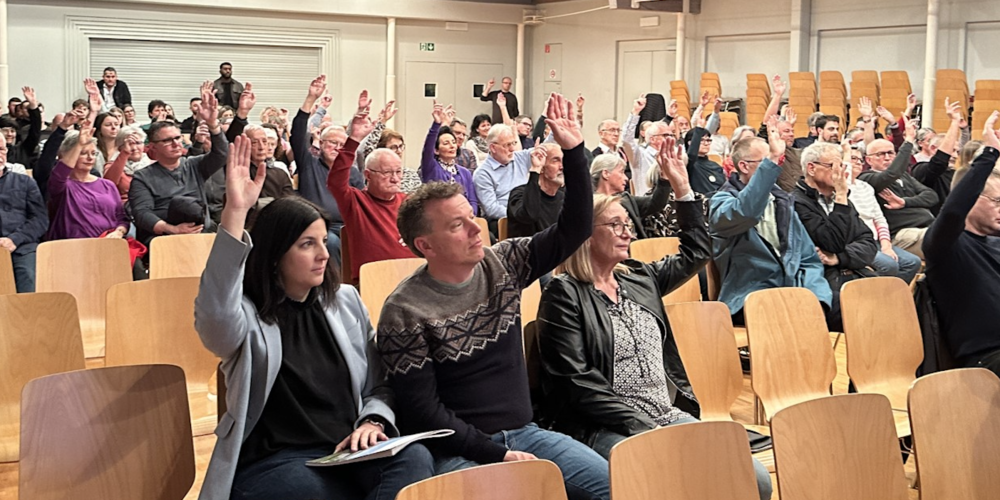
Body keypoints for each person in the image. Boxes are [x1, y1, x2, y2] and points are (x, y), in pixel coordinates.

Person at [378, 94, 609, 500]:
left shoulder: (502, 263)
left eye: (472, 216)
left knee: (616, 486)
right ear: (425, 245)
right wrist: (495, 454)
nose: (476, 229)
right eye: (457, 225)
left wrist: (574, 152)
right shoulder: (405, 310)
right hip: (458, 449)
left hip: (527, 434)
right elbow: (423, 412)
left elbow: (574, 230)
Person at [193, 135, 434, 500]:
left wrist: (373, 420)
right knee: (315, 493)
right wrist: (235, 214)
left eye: (324, 241)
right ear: (275, 255)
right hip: (277, 459)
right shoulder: (245, 315)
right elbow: (213, 315)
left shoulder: (346, 301)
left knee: (414, 459)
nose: (324, 254)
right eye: (307, 244)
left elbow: (378, 383)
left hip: (347, 448)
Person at [536, 140, 773, 500]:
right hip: (603, 425)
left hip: (663, 413)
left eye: (628, 224)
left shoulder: (638, 278)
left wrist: (682, 189)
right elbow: (578, 383)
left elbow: (696, 251)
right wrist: (644, 425)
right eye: (615, 225)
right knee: (662, 480)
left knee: (753, 478)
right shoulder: (563, 294)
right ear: (585, 232)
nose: (627, 232)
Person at [709, 119, 834, 329]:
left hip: (792, 290)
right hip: (748, 296)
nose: (775, 168)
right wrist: (774, 157)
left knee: (852, 308)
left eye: (775, 162)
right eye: (766, 162)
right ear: (744, 166)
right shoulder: (721, 202)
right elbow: (746, 212)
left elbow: (808, 258)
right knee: (788, 322)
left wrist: (818, 298)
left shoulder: (782, 202)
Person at [924, 111, 1000, 377]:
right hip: (985, 358)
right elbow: (954, 212)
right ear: (971, 200)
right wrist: (989, 153)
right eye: (997, 201)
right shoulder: (944, 247)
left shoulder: (995, 242)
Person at [325, 88, 413, 285]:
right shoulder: (356, 202)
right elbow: (336, 181)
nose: (395, 179)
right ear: (368, 175)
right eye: (387, 173)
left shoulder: (409, 203)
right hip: (374, 281)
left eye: (398, 172)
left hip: (413, 279)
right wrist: (354, 139)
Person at [793, 142, 878, 329]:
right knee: (858, 312)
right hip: (821, 279)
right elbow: (831, 242)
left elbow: (869, 243)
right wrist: (841, 196)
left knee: (892, 299)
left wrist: (839, 258)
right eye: (833, 166)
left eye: (841, 166)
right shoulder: (797, 203)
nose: (840, 173)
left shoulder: (842, 202)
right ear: (811, 168)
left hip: (850, 269)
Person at [129, 86, 226, 246]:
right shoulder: (142, 177)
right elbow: (142, 213)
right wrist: (173, 229)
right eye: (167, 140)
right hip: (164, 237)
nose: (175, 143)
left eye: (177, 138)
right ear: (153, 147)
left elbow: (222, 154)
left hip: (201, 232)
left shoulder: (194, 164)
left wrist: (213, 124)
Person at [292, 75, 366, 266]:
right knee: (332, 243)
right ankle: (335, 286)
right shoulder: (310, 163)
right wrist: (311, 100)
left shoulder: (353, 173)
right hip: (317, 225)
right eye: (333, 142)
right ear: (321, 144)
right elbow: (298, 134)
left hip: (348, 225)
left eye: (342, 145)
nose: (337, 148)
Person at [844, 143, 921, 284]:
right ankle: (877, 301)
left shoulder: (865, 187)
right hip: (855, 243)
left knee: (912, 262)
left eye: (860, 159)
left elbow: (879, 219)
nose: (857, 162)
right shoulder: (840, 187)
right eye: (852, 158)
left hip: (875, 241)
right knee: (889, 265)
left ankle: (892, 300)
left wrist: (886, 245)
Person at [857, 129, 933, 259]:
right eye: (880, 154)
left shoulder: (904, 176)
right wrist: (908, 140)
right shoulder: (866, 179)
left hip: (925, 227)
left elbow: (931, 196)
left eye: (890, 153)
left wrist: (905, 202)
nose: (887, 157)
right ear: (868, 160)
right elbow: (892, 174)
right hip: (901, 236)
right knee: (944, 240)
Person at [0, 137, 47, 292]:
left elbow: (40, 220)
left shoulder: (25, 182)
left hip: (21, 245)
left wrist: (14, 239)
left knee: (28, 276)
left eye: (1, 149)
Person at [590, 153, 670, 240]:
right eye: (621, 172)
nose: (626, 178)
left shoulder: (626, 199)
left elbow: (656, 203)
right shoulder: (590, 206)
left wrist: (664, 178)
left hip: (636, 251)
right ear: (606, 174)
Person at [420, 102, 477, 212]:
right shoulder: (432, 168)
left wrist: (470, 215)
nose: (452, 146)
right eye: (446, 143)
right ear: (436, 150)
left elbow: (473, 201)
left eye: (453, 142)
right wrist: (437, 123)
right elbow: (428, 147)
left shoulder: (465, 173)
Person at [472, 123, 533, 222]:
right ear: (493, 148)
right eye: (507, 145)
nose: (512, 149)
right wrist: (519, 214)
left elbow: (547, 150)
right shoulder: (482, 173)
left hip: (526, 212)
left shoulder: (519, 157)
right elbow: (492, 209)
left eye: (513, 143)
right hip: (505, 220)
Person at [506, 143, 563, 238]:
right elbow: (529, 216)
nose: (562, 166)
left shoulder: (563, 197)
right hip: (528, 250)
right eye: (555, 160)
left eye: (564, 161)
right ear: (541, 168)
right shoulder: (519, 194)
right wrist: (535, 169)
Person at [0, 86, 41, 169]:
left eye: (12, 131)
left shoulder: (23, 149)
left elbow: (35, 130)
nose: (9, 134)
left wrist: (33, 106)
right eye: (5, 131)